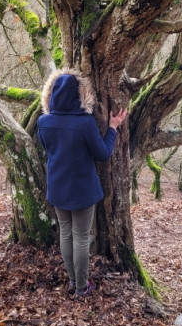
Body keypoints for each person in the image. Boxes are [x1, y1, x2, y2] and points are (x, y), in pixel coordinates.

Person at [37, 69, 127, 299]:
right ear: (80, 95)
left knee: (66, 234)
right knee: (80, 237)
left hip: (57, 188)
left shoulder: (44, 122)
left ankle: (72, 281)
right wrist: (113, 128)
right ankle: (81, 287)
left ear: (51, 94)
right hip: (83, 191)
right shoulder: (85, 123)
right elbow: (103, 153)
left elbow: (49, 151)